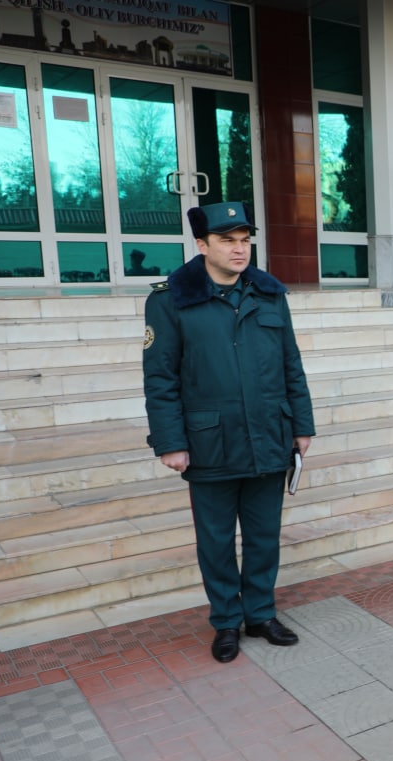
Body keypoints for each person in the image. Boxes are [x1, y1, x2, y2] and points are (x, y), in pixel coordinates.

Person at [142, 202, 315, 664]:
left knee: (264, 536)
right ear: (202, 245)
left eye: (244, 240)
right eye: (227, 240)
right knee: (216, 542)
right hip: (209, 442)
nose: (239, 249)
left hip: (268, 435)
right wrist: (170, 442)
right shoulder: (170, 300)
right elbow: (160, 378)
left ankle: (260, 614)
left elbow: (291, 364)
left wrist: (302, 425)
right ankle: (225, 622)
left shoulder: (269, 294)